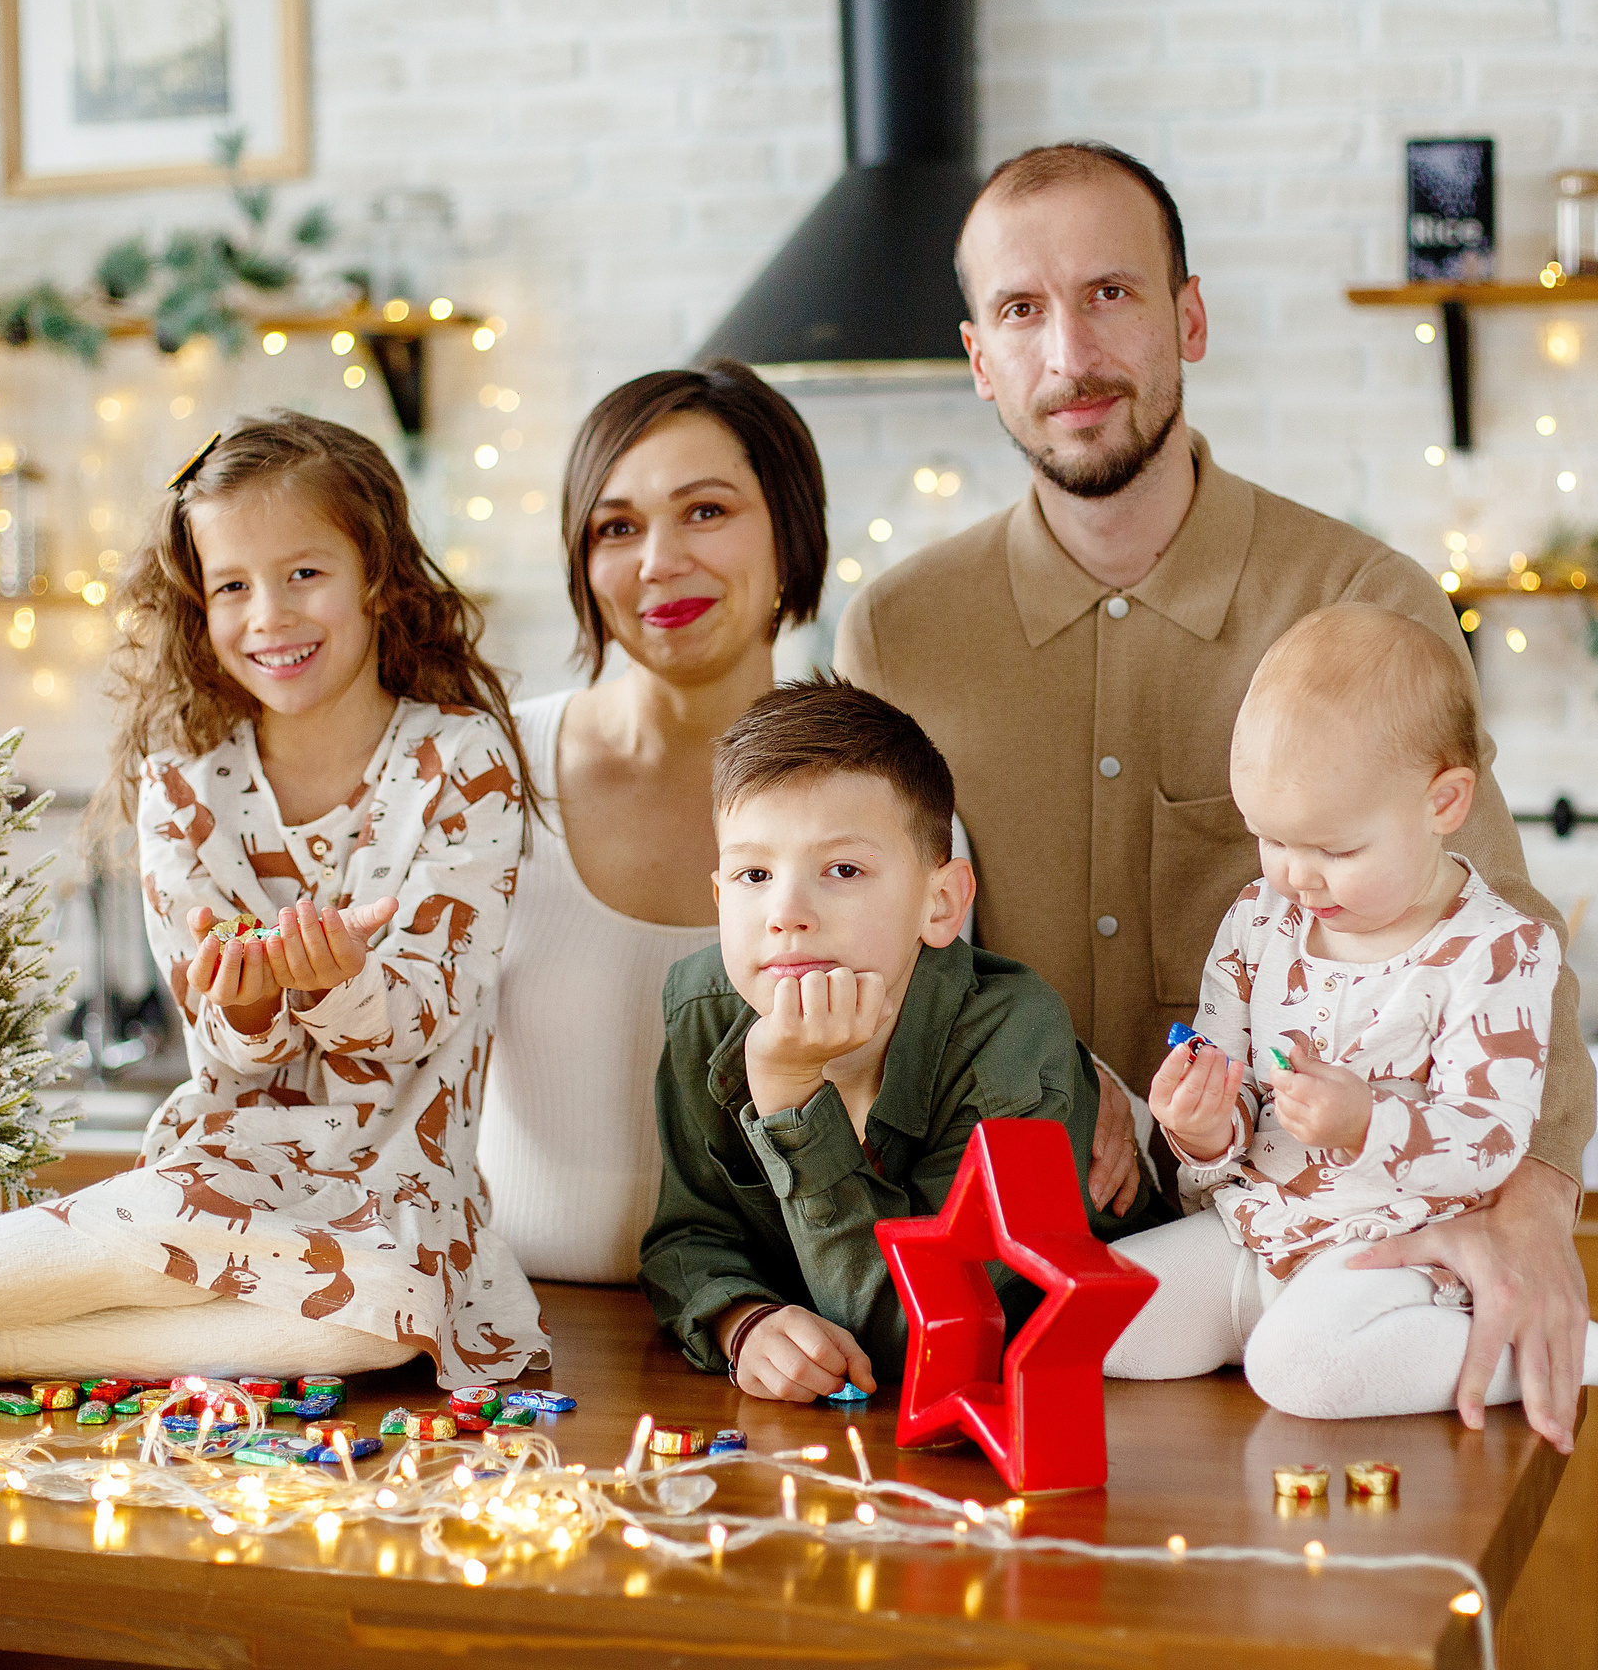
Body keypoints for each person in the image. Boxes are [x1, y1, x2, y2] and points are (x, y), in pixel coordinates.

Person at [833, 140, 1598, 1451]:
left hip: (1347, 1250)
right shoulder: (896, 633)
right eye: (1021, 310)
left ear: (1189, 316)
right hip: (1024, 1288)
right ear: (979, 358)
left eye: (1111, 294)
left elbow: (1502, 927)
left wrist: (1531, 1205)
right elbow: (879, 945)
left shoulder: (1364, 602)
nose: (1070, 353)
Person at [0, 412, 545, 1422]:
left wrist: (348, 986)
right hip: (237, 1161)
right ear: (197, 604)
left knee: (376, 1322)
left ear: (376, 574)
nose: (269, 616)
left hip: (402, 1184)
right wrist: (252, 1006)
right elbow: (227, 1048)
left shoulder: (463, 763)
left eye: (304, 573)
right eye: (232, 586)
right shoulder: (185, 787)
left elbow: (431, 1009)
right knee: (166, 1224)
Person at [478, 362, 1141, 1284]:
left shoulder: (884, 796)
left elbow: (952, 1040)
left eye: (706, 510)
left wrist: (1077, 1078)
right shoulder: (484, 772)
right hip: (524, 1318)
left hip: (803, 1328)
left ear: (790, 532)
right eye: (616, 527)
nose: (659, 561)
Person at [1103, 604, 1598, 1417]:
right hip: (1251, 1234)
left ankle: (1529, 1356)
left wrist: (1366, 1124)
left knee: (1299, 1372)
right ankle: (1298, 1340)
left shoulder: (1498, 949)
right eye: (1270, 840)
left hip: (1395, 1250)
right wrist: (1201, 1124)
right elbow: (1227, 1096)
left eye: (1336, 849)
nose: (1296, 877)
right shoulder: (1260, 919)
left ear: (1444, 803)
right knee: (1091, 1315)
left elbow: (1492, 1140)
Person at [639, 677, 1166, 1402]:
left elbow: (922, 1335)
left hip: (1107, 1387)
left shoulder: (1010, 1042)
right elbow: (689, 1238)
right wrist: (743, 1322)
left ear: (941, 903)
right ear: (721, 897)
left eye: (843, 870)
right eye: (754, 873)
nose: (786, 911)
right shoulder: (706, 1009)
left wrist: (791, 1102)